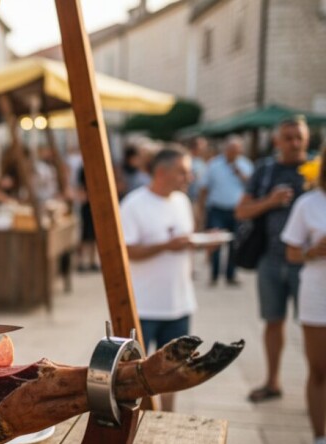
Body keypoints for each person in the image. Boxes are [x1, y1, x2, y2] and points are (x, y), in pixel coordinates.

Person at [236, 117, 309, 404]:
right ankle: (272, 381)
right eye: (288, 137)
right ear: (277, 141)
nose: (294, 143)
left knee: (316, 327)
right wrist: (270, 201)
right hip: (270, 259)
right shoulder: (265, 170)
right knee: (273, 322)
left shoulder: (319, 169)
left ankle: (318, 386)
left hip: (311, 265)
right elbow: (241, 212)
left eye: (298, 137)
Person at [120, 145, 196, 412]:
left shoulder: (183, 202)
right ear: (161, 172)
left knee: (175, 368)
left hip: (179, 301)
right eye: (183, 172)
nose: (189, 177)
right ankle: (139, 419)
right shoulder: (134, 204)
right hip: (144, 303)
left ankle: (168, 416)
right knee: (137, 370)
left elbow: (183, 241)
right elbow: (125, 250)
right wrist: (166, 246)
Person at [280, 146, 326, 444]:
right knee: (321, 369)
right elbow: (292, 254)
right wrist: (313, 250)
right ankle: (321, 440)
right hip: (318, 296)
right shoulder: (308, 203)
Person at [198, 136, 253, 286]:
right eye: (231, 150)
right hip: (217, 209)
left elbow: (252, 187)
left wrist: (241, 175)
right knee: (215, 242)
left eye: (236, 151)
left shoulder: (246, 165)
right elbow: (204, 188)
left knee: (235, 244)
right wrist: (201, 210)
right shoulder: (214, 165)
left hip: (237, 211)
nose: (233, 153)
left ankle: (230, 275)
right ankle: (214, 275)